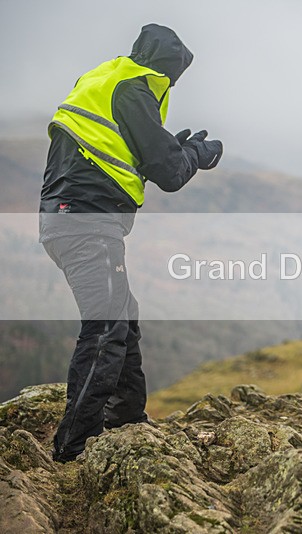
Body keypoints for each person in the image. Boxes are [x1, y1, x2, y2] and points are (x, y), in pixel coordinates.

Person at [39, 24, 223, 462]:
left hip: (69, 216)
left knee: (122, 314)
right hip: (88, 221)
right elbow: (171, 174)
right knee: (105, 328)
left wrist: (173, 146)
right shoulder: (136, 91)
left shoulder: (107, 78)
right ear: (168, 72)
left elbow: (126, 146)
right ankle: (73, 446)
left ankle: (127, 415)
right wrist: (198, 154)